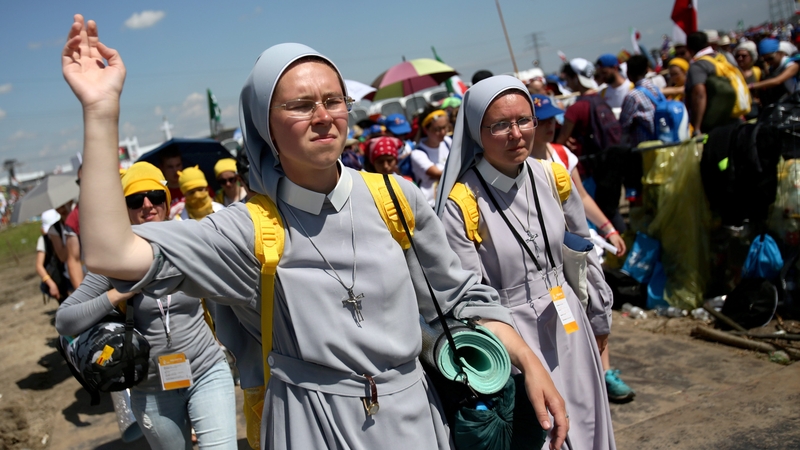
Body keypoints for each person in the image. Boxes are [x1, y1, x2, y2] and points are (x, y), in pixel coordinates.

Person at [62, 14, 568, 450]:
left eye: (334, 100)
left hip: (416, 418)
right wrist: (100, 112)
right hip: (311, 424)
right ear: (265, 124)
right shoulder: (247, 229)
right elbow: (110, 250)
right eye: (301, 105)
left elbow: (461, 296)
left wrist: (528, 359)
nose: (324, 117)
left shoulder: (397, 198)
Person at [437, 76, 616, 450]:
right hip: (513, 332)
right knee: (545, 433)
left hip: (569, 320)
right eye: (500, 125)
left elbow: (581, 252)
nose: (516, 133)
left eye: (524, 120)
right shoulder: (462, 203)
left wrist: (599, 319)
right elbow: (468, 296)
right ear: (476, 131)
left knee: (586, 420)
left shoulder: (552, 176)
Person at [55, 161, 238, 449]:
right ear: (123, 209)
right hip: (152, 389)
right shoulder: (114, 263)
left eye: (155, 197)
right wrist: (116, 295)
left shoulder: (189, 243)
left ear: (166, 203)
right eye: (135, 200)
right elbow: (65, 321)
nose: (147, 206)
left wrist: (231, 348)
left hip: (207, 370)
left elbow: (217, 301)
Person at [411, 107, 452, 206]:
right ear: (426, 129)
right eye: (437, 129)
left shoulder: (447, 141)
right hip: (433, 204)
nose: (442, 132)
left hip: (450, 198)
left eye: (444, 127)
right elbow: (438, 174)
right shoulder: (418, 153)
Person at [619, 55, 660, 148]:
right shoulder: (654, 88)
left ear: (628, 74)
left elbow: (624, 125)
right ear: (646, 70)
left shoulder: (632, 96)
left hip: (644, 146)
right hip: (659, 141)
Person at [749, 38, 799, 108]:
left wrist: (751, 86)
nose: (768, 62)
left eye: (770, 58)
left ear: (780, 53)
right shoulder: (773, 68)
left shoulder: (792, 64)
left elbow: (777, 81)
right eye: (765, 60)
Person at [37, 209, 71, 302]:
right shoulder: (43, 240)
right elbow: (39, 266)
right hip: (60, 279)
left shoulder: (64, 230)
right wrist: (51, 284)